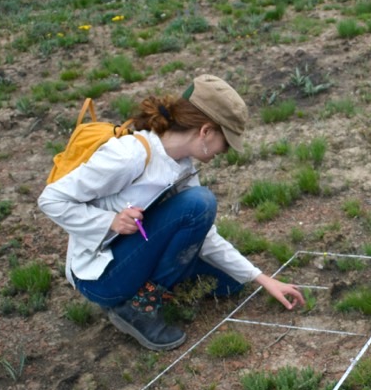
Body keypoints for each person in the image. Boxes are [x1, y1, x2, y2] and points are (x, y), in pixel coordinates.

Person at [38, 74, 305, 350]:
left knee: (231, 282)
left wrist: (262, 279)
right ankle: (138, 309)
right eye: (226, 141)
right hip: (101, 276)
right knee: (200, 203)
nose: (225, 151)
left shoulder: (183, 166)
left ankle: (159, 285)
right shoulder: (129, 156)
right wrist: (110, 222)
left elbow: (205, 235)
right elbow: (51, 200)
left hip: (135, 253)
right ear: (206, 131)